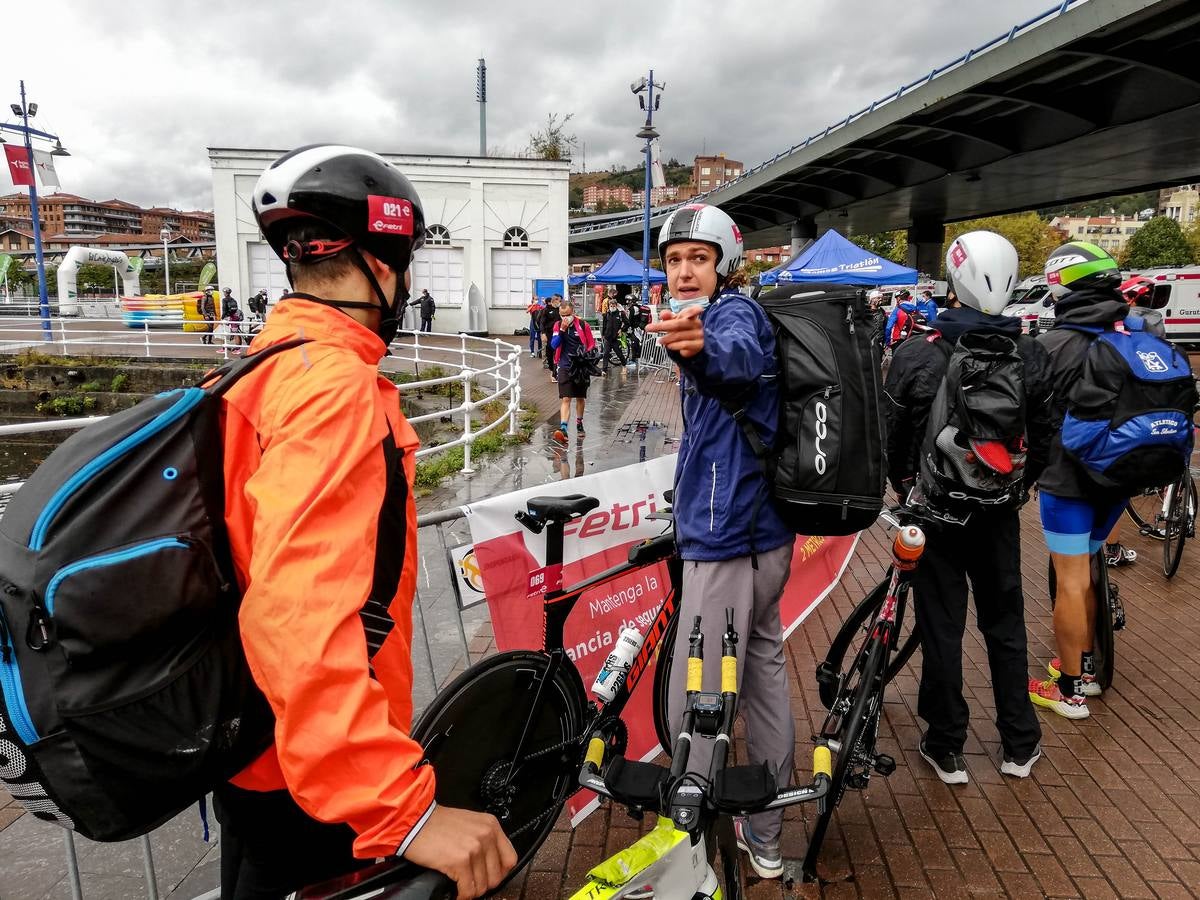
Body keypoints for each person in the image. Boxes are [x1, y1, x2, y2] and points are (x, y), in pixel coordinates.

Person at [218, 144, 515, 900]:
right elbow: (296, 614)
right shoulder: (335, 389)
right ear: (384, 267)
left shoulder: (263, 365)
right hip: (316, 789)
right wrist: (402, 811)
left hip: (260, 752)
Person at [645, 202, 795, 880]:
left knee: (697, 692)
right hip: (764, 534)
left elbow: (730, 362)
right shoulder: (735, 311)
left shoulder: (728, 318)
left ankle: (689, 832)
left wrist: (697, 348)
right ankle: (766, 831)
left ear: (723, 266)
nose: (683, 271)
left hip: (727, 536)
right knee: (760, 675)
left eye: (697, 259)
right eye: (675, 259)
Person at [884, 231, 1050, 784]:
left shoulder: (918, 353)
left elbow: (895, 435)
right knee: (1005, 623)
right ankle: (1019, 743)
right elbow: (1044, 438)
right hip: (999, 512)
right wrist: (1016, 490)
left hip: (934, 512)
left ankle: (947, 741)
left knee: (942, 625)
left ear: (953, 283)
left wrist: (909, 486)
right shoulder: (1030, 355)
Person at [1030, 241, 1132, 720]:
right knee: (1088, 569)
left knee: (1070, 579)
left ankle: (1069, 690)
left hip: (1067, 480)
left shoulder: (1053, 345)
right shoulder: (1135, 334)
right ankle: (1087, 669)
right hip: (1120, 475)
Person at [550, 299, 595, 441]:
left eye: (567, 314)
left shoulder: (583, 325)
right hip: (564, 365)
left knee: (580, 397)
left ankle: (579, 422)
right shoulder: (558, 326)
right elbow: (553, 345)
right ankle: (563, 428)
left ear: (573, 312)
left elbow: (591, 344)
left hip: (580, 367)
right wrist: (562, 330)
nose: (565, 318)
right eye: (562, 315)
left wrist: (587, 355)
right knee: (566, 398)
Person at [601, 295, 627, 372]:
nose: (612, 307)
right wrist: (603, 334)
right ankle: (604, 370)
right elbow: (604, 325)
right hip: (607, 337)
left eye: (614, 305)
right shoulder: (606, 314)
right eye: (611, 305)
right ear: (609, 306)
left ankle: (624, 365)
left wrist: (621, 330)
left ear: (616, 305)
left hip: (616, 338)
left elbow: (627, 323)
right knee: (605, 354)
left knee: (619, 354)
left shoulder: (620, 314)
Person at [541, 294, 562, 378]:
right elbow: (542, 322)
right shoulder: (546, 310)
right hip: (549, 334)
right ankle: (551, 368)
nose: (560, 302)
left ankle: (555, 372)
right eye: (559, 301)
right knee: (549, 353)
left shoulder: (560, 310)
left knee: (556, 352)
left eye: (561, 301)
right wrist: (543, 333)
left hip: (559, 334)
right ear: (554, 300)